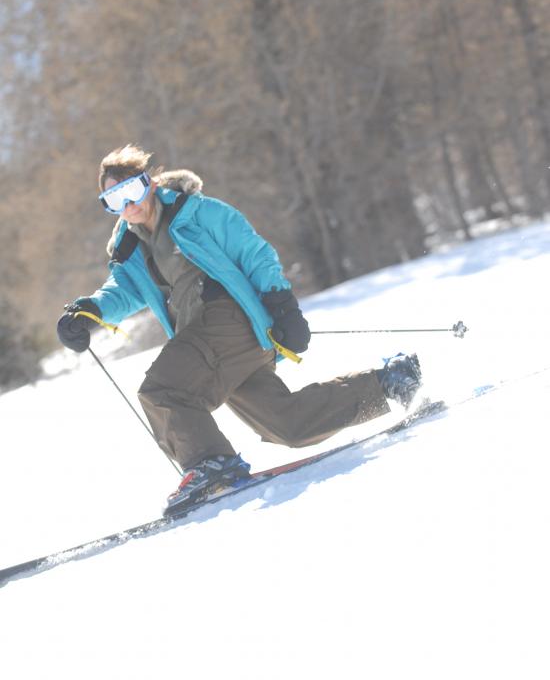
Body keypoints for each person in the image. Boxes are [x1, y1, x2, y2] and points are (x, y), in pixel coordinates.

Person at [57, 145, 422, 511]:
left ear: (149, 183)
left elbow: (254, 252)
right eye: (114, 199)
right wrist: (90, 311)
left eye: (132, 190)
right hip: (209, 341)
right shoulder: (129, 245)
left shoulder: (196, 212)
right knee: (289, 425)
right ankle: (388, 382)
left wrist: (283, 306)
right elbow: (124, 290)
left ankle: (211, 464)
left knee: (163, 390)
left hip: (227, 320)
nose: (128, 205)